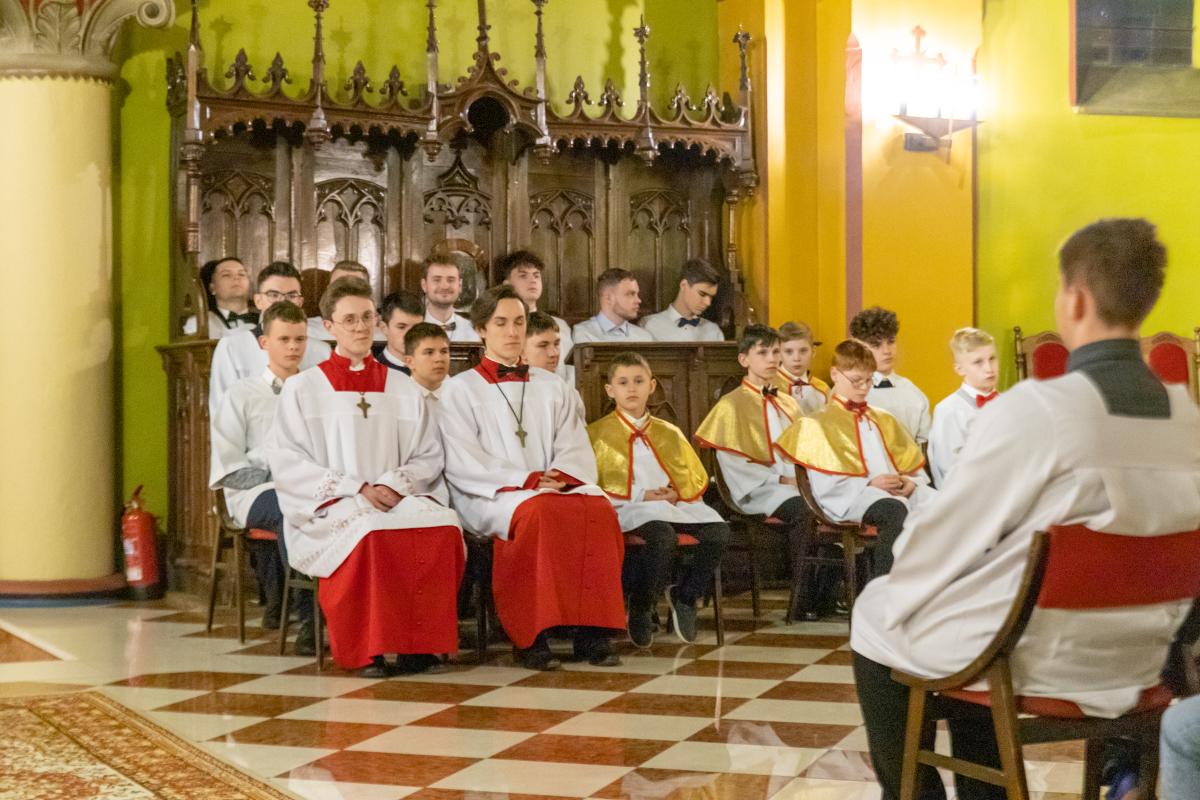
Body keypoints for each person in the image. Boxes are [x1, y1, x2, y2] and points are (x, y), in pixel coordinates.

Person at [850, 218, 1200, 800]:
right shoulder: (1189, 419)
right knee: (977, 616)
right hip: (1145, 660)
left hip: (1039, 656)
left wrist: (912, 570)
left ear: (1076, 300)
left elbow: (945, 538)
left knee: (877, 608)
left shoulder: (1036, 409)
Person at [267, 277, 464, 677]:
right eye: (350, 320)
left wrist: (393, 484)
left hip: (393, 495)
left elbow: (428, 454)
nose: (360, 327)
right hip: (336, 503)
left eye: (367, 317)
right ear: (329, 326)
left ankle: (418, 647)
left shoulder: (402, 386)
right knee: (369, 532)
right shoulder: (304, 388)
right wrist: (354, 488)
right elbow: (288, 460)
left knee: (442, 526)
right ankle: (367, 651)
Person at [439, 285, 626, 671]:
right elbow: (464, 460)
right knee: (538, 514)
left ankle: (591, 632)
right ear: (481, 329)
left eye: (519, 322)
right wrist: (527, 479)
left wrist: (559, 476)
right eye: (501, 323)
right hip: (490, 493)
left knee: (599, 510)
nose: (512, 332)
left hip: (549, 486)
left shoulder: (552, 386)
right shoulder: (459, 390)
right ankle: (531, 636)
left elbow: (573, 443)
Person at [588, 352, 729, 647]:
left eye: (639, 381)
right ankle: (642, 604)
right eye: (623, 382)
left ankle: (686, 596)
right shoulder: (597, 434)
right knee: (662, 536)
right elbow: (594, 482)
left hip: (671, 504)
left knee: (718, 531)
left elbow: (688, 475)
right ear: (610, 390)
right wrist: (642, 493)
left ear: (652, 386)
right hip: (630, 508)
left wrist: (677, 491)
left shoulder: (669, 431)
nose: (632, 388)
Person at [775, 340, 934, 577]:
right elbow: (824, 484)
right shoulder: (816, 423)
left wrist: (910, 481)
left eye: (869, 380)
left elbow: (910, 468)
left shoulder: (882, 418)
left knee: (944, 503)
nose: (864, 388)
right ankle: (881, 592)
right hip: (848, 497)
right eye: (856, 380)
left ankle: (934, 586)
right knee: (894, 511)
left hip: (888, 490)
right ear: (835, 374)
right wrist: (869, 483)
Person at [209, 301, 314, 650]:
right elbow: (228, 466)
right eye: (284, 339)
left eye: (299, 339)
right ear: (264, 342)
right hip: (255, 491)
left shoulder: (316, 392)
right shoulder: (241, 394)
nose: (293, 347)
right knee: (290, 510)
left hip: (311, 485)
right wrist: (276, 471)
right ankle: (309, 618)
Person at [208, 261, 331, 418]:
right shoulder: (231, 347)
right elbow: (222, 413)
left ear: (300, 302)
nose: (283, 302)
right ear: (258, 300)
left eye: (292, 296)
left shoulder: (321, 352)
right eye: (273, 295)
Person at [927, 327, 1000, 487]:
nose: (989, 368)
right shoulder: (948, 410)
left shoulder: (1008, 403)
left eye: (992, 359)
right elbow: (950, 469)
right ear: (960, 369)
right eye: (978, 362)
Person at [850, 306, 931, 444]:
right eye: (876, 345)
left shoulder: (913, 392)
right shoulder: (847, 391)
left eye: (891, 342)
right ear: (859, 347)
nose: (886, 351)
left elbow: (925, 444)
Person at [499, 249, 574, 377]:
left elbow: (570, 371)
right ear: (507, 285)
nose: (532, 280)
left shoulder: (560, 325)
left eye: (536, 275)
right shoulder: (499, 326)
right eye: (523, 276)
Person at [640, 259, 725, 342]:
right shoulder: (649, 325)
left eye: (711, 297)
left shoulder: (713, 331)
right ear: (684, 285)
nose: (708, 303)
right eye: (702, 294)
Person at [524, 311, 586, 422]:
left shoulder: (568, 392)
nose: (554, 353)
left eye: (557, 344)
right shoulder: (507, 391)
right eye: (543, 345)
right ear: (520, 351)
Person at [572, 268, 653, 343]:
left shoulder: (644, 337)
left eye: (637, 294)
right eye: (630, 294)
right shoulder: (584, 333)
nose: (638, 300)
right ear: (608, 299)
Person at [183, 257, 256, 338]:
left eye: (241, 274)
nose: (236, 278)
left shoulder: (263, 319)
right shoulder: (198, 324)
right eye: (226, 275)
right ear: (212, 288)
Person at [306, 261, 375, 343]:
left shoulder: (383, 331)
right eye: (338, 286)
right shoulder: (306, 330)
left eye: (356, 287)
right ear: (328, 289)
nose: (346, 294)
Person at [774, 321, 829, 415]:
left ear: (813, 352)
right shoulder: (770, 388)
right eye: (789, 352)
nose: (796, 358)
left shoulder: (823, 389)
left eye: (803, 351)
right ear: (778, 353)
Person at [421, 256, 480, 343]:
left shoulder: (474, 330)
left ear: (460, 285)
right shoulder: (411, 327)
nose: (445, 286)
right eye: (437, 280)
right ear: (424, 285)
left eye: (451, 280)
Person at [374, 289, 425, 375]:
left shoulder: (434, 369)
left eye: (416, 328)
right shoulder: (372, 374)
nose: (410, 335)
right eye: (401, 327)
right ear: (384, 328)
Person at [402, 322, 452, 402]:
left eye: (444, 351)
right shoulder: (396, 397)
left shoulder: (463, 395)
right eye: (429, 352)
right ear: (410, 362)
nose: (439, 359)